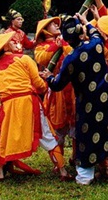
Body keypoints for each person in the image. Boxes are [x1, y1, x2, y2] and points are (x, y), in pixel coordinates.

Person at [44, 14, 108, 185]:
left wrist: (48, 77)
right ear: (82, 34)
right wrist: (85, 21)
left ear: (67, 40)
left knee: (87, 137)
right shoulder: (96, 45)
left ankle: (85, 177)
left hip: (87, 104)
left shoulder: (71, 59)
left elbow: (57, 85)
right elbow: (96, 34)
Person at [0, 31, 71, 181]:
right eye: (10, 41)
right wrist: (46, 83)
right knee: (47, 135)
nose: (14, 42)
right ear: (5, 47)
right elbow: (39, 84)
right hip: (28, 102)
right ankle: (63, 171)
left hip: (7, 106)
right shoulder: (24, 59)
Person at [33, 16, 75, 153]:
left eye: (57, 24)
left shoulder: (67, 41)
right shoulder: (41, 47)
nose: (57, 25)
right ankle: (59, 157)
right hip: (56, 88)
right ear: (45, 30)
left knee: (77, 125)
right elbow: (42, 58)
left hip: (73, 87)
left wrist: (64, 44)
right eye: (52, 24)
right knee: (57, 126)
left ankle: (76, 157)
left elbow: (74, 56)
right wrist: (56, 45)